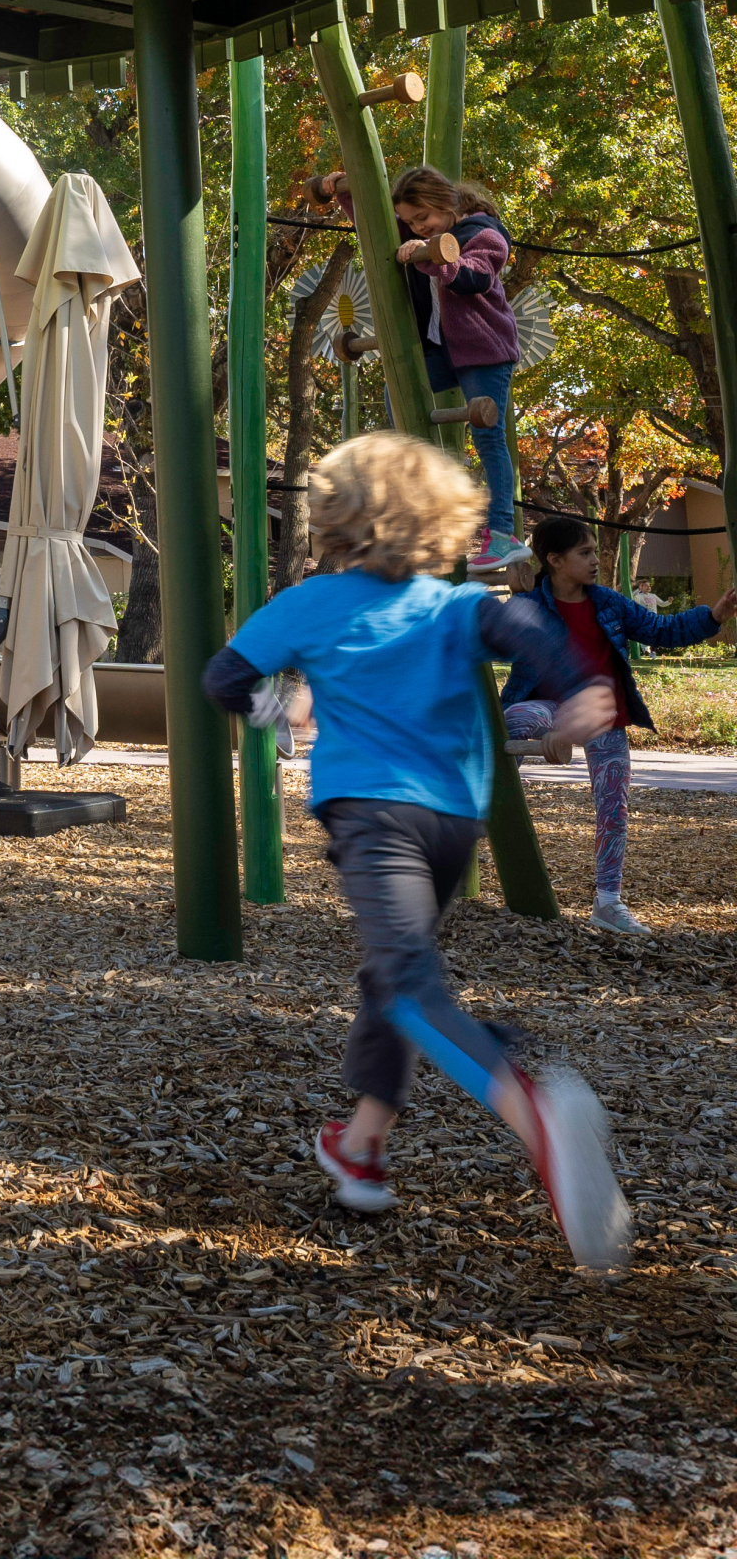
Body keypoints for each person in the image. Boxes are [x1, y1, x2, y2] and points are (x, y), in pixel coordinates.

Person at [205, 432, 631, 1269]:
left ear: (337, 518)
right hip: (452, 827)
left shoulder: (309, 603)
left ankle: (528, 1106)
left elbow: (224, 678)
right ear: (442, 523)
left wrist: (282, 702)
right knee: (393, 980)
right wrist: (582, 690)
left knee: (405, 982)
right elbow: (526, 630)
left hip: (374, 818)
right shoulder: (450, 606)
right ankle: (361, 1146)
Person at [500, 514, 736, 936]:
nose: (594, 560)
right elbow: (490, 640)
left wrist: (714, 616)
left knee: (614, 809)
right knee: (514, 718)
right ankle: (493, 794)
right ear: (553, 559)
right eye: (584, 553)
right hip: (549, 709)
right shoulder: (531, 605)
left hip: (601, 718)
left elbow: (662, 629)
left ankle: (608, 903)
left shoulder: (608, 602)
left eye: (594, 551)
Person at [389, 163, 523, 566]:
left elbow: (473, 278)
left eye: (423, 217)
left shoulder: (485, 233)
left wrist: (430, 256)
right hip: (438, 349)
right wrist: (344, 192)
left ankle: (503, 535)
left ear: (446, 204)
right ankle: (422, 511)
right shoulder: (420, 235)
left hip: (484, 350)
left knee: (488, 437)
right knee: (397, 394)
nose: (418, 228)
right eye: (410, 222)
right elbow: (372, 225)